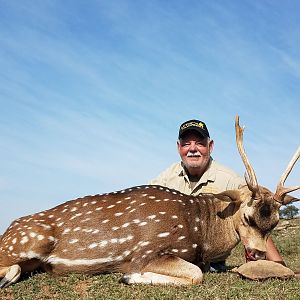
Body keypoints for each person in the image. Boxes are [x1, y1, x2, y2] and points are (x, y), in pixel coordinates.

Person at [149, 119, 285, 272]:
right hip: (168, 259)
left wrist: (278, 263)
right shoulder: (166, 178)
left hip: (211, 263)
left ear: (210, 146)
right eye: (186, 144)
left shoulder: (230, 180)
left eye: (200, 143)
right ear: (178, 147)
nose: (192, 149)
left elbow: (256, 215)